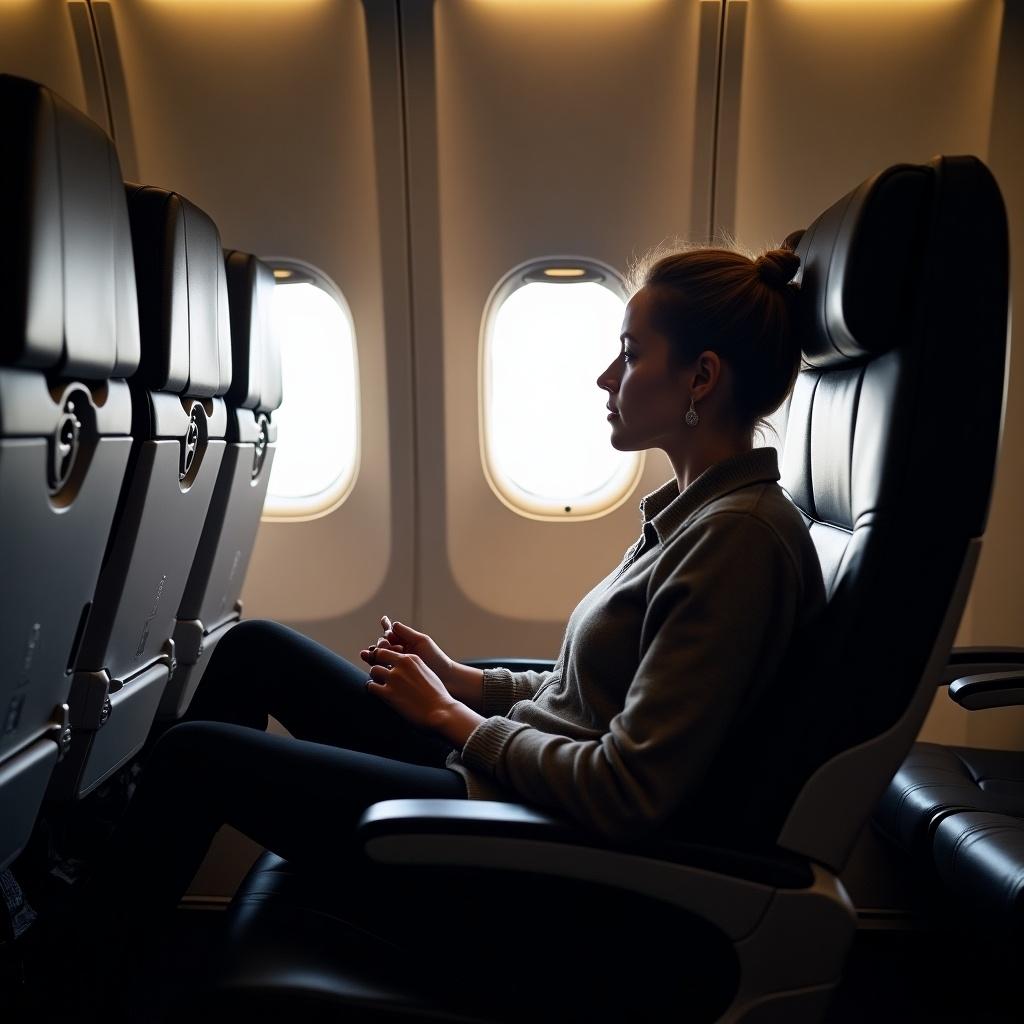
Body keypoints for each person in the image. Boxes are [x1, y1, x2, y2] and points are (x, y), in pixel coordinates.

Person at [26, 243, 826, 1019]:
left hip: (535, 856)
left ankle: (70, 986)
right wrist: (466, 680)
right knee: (254, 650)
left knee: (194, 761)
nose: (606, 377)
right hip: (512, 785)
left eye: (629, 353)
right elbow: (592, 694)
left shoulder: (737, 542)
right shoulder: (694, 517)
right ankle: (94, 899)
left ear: (703, 377)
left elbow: (630, 790)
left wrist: (453, 718)